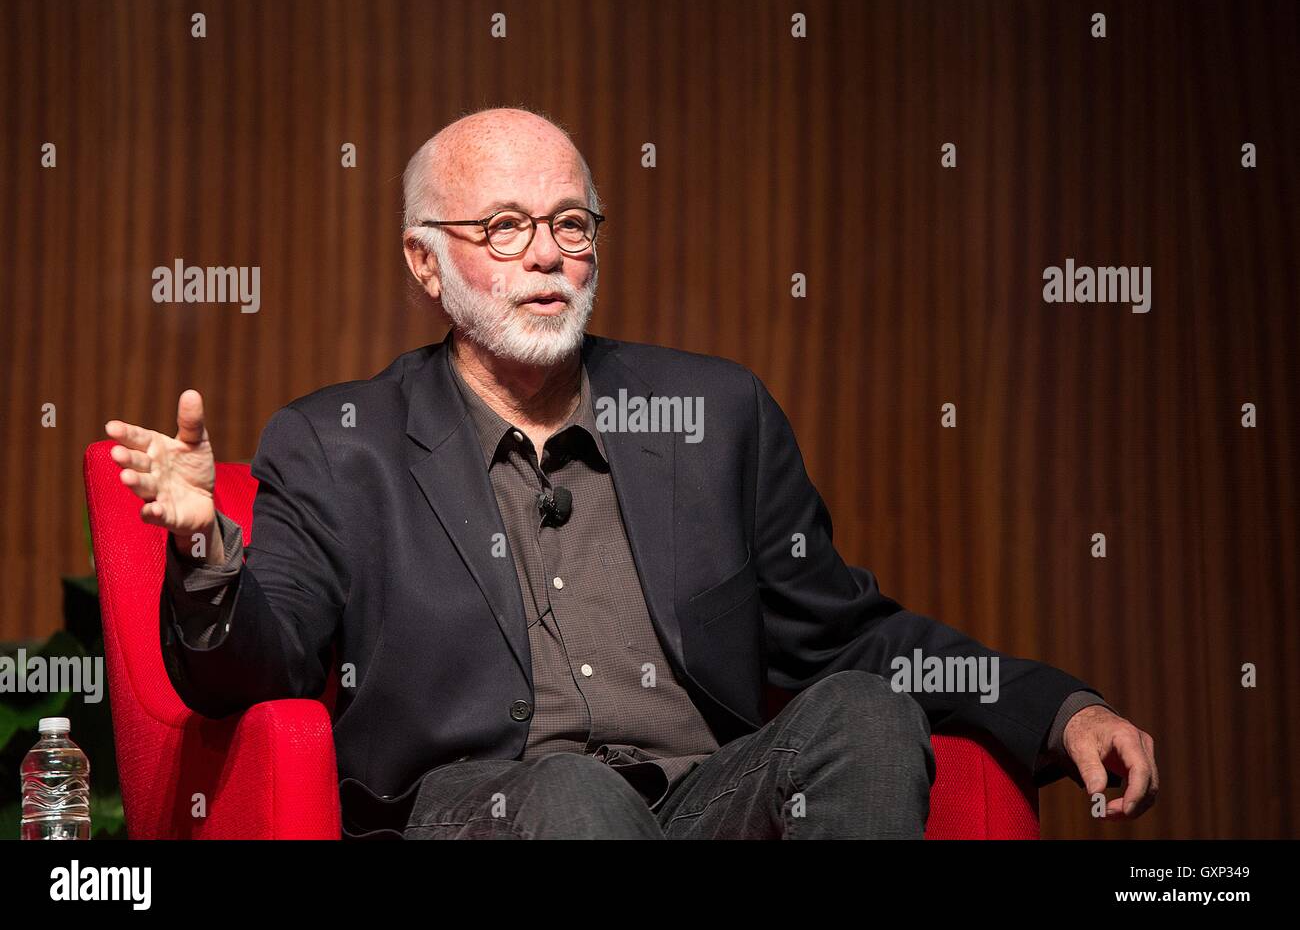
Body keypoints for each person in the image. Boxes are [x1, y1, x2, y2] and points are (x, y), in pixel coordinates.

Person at [104, 106, 1157, 839]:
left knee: (862, 714)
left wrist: (1057, 709)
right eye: (503, 228)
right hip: (487, 811)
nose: (547, 254)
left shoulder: (714, 414)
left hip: (706, 803)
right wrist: (203, 547)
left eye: (569, 223)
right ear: (425, 263)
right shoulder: (340, 441)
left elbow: (848, 635)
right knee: (567, 795)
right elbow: (263, 664)